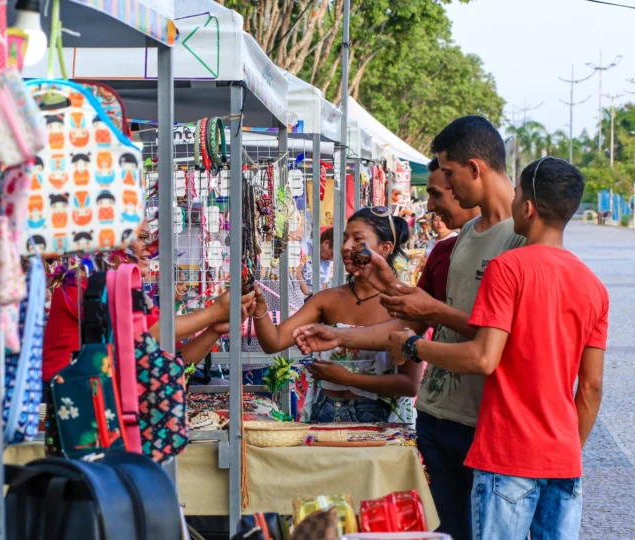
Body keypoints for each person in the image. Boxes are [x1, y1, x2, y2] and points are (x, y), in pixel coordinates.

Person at [292, 116, 524, 540]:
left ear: (475, 168)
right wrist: (364, 313)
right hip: (437, 417)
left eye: (447, 179)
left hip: (486, 424)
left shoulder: (522, 241)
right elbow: (416, 317)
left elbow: (501, 341)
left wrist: (422, 328)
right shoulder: (464, 237)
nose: (440, 199)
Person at [387, 158, 606, 539]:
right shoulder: (593, 286)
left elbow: (483, 357)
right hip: (564, 461)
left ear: (528, 207)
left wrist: (413, 345)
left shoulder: (507, 268)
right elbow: (590, 389)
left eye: (518, 193)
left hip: (508, 454)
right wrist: (566, 452)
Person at [252, 207, 421, 424]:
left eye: (358, 239)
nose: (346, 247)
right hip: (324, 413)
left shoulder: (404, 303)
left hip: (380, 420)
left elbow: (409, 384)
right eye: (344, 239)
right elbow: (273, 342)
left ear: (385, 248)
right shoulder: (327, 299)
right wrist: (259, 309)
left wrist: (348, 379)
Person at [42, 219, 255, 382]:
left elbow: (176, 358)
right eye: (143, 237)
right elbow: (147, 334)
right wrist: (213, 313)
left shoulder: (127, 289)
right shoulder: (84, 283)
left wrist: (214, 330)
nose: (150, 247)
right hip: (69, 406)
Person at [417, 157, 480, 303]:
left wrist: (436, 312)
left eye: (437, 194)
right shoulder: (442, 250)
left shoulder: (512, 245)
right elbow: (417, 313)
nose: (430, 206)